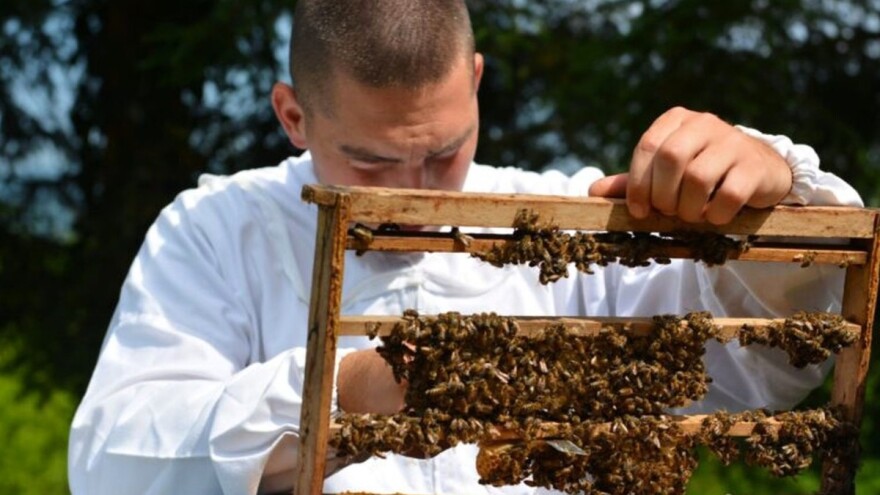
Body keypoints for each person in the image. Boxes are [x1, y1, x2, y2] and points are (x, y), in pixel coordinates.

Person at [68, 1, 863, 494]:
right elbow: (116, 464)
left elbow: (766, 361)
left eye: (444, 151)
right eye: (373, 162)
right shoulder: (215, 229)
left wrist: (770, 193)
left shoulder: (569, 220)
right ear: (293, 117)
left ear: (475, 81)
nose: (419, 190)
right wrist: (353, 389)